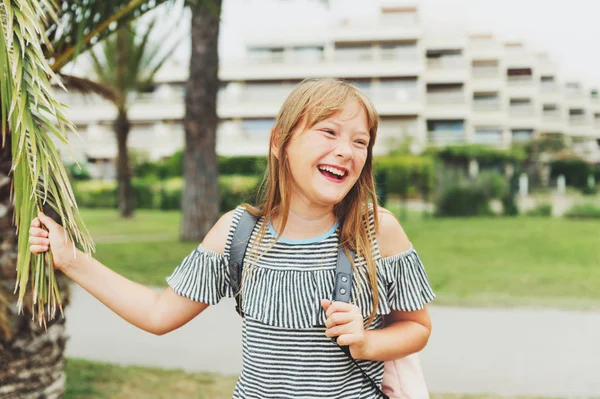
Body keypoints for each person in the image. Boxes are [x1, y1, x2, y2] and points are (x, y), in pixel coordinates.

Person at [29, 78, 435, 398]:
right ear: (280, 142)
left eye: (360, 141)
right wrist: (69, 258)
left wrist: (366, 343)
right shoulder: (238, 233)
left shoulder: (378, 230)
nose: (346, 151)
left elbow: (417, 327)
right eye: (329, 132)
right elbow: (157, 313)